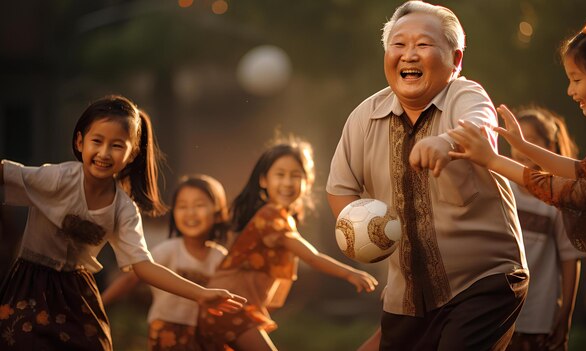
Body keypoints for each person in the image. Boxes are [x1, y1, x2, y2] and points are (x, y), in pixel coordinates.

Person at [327, 1, 528, 350]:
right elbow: (340, 189)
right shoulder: (363, 117)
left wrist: (446, 142)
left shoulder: (466, 94)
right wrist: (356, 232)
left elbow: (481, 127)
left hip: (484, 282)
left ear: (456, 60)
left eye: (423, 45)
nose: (409, 55)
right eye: (399, 44)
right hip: (405, 297)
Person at [0, 95, 245, 350]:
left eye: (117, 145)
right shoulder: (58, 178)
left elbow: (144, 266)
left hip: (76, 292)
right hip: (30, 285)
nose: (104, 153)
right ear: (80, 141)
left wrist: (202, 294)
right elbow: (7, 172)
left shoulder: (124, 209)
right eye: (97, 141)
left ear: (132, 153)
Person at [448, 10, 586, 323]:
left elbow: (582, 193)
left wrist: (493, 160)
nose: (570, 91)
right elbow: (584, 170)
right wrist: (525, 148)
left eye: (576, 80)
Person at [199, 137, 378, 351]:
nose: (288, 182)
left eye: (296, 175)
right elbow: (311, 256)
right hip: (230, 308)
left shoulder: (281, 217)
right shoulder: (270, 216)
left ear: (307, 182)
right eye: (280, 174)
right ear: (263, 180)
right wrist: (349, 273)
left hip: (231, 308)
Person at [102, 174, 232, 350]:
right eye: (182, 206)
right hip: (166, 330)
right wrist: (100, 304)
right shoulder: (169, 250)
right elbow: (130, 279)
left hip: (205, 334)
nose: (190, 213)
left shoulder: (220, 257)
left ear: (218, 214)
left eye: (199, 205)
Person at [504, 107, 586, 351]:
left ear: (548, 147)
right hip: (498, 311)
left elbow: (570, 258)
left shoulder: (558, 200)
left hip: (538, 316)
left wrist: (565, 316)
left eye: (529, 140)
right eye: (515, 138)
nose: (521, 147)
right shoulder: (502, 188)